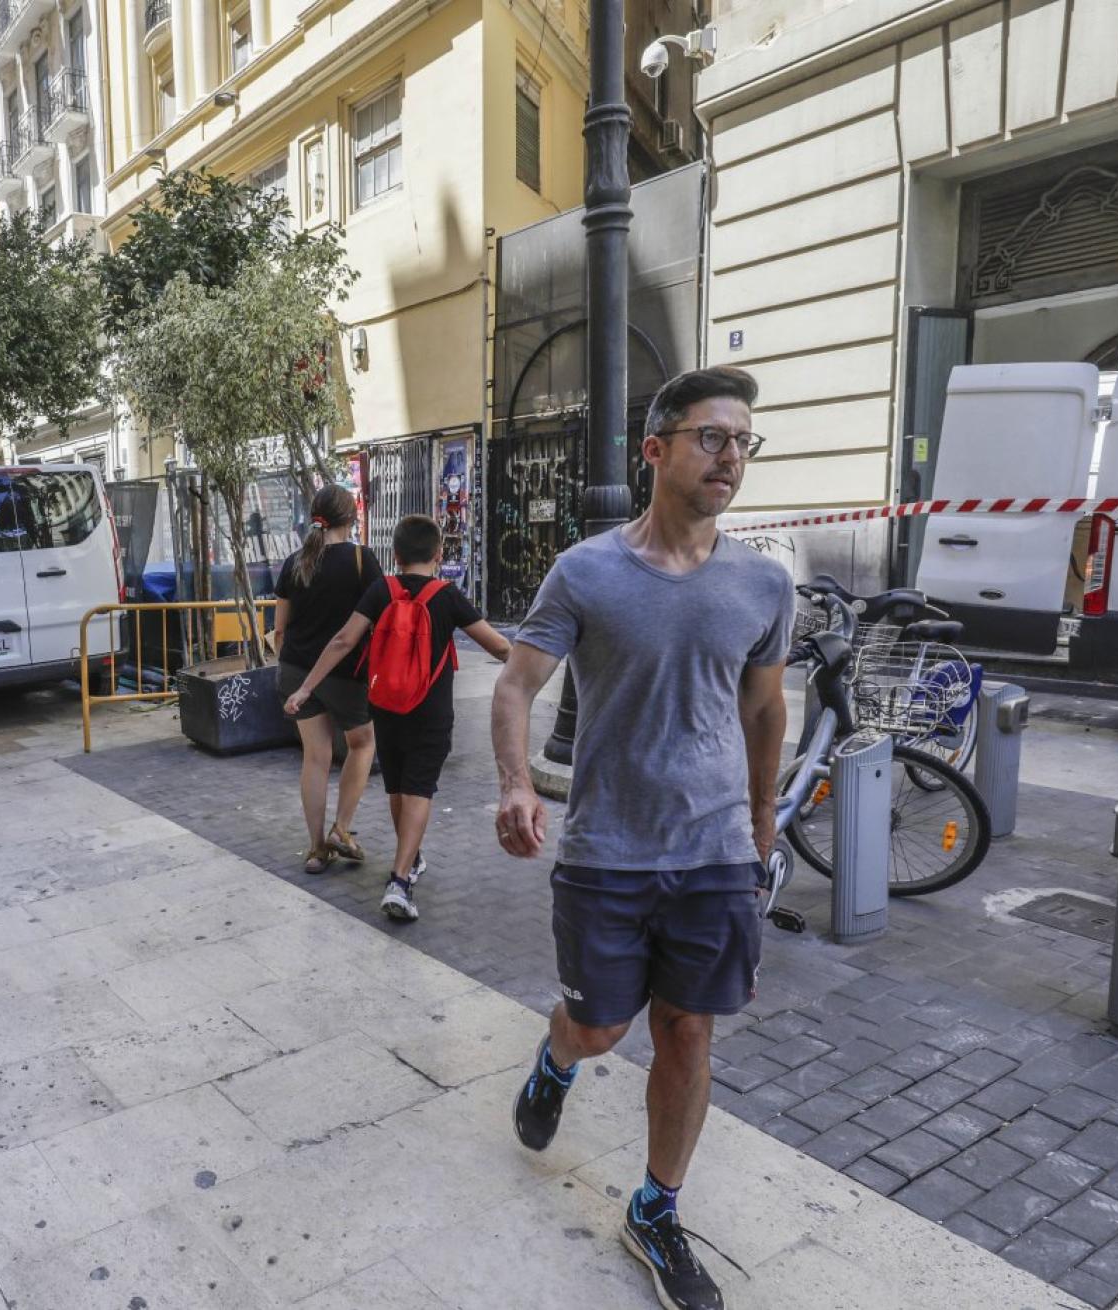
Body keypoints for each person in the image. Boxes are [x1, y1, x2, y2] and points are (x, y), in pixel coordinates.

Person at [491, 365, 793, 1310]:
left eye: (744, 441)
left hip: (711, 854)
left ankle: (656, 1209)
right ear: (655, 450)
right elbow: (514, 685)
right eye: (713, 437)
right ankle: (557, 1060)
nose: (731, 457)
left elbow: (766, 712)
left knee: (687, 1028)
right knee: (601, 1024)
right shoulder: (585, 571)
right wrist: (512, 785)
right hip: (607, 850)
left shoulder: (763, 583)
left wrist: (760, 819)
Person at [285, 513, 511, 922]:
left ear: (396, 555)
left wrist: (305, 688)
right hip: (430, 711)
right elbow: (498, 647)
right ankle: (400, 879)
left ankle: (412, 856)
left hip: (385, 705)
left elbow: (343, 640)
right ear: (439, 554)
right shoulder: (448, 596)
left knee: (398, 787)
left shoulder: (381, 590)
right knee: (419, 790)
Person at [272, 485, 381, 875]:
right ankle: (342, 829)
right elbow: (377, 621)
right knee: (362, 743)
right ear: (351, 518)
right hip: (346, 674)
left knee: (314, 757)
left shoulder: (294, 562)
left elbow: (279, 629)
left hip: (296, 670)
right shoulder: (360, 560)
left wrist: (290, 668)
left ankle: (317, 849)